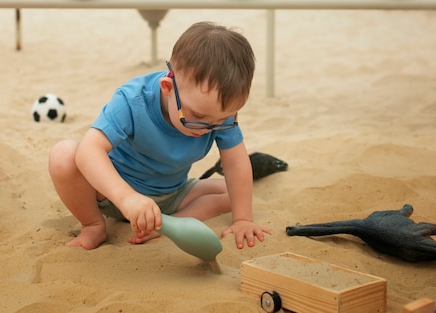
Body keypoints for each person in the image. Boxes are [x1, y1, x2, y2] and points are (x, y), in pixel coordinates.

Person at [49, 21, 270, 250]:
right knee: (63, 155)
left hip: (171, 196)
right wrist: (127, 198)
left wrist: (243, 219)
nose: (206, 128)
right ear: (167, 87)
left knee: (235, 190)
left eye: (219, 121)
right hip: (110, 194)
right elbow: (89, 150)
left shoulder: (216, 114)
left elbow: (235, 164)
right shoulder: (133, 100)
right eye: (197, 116)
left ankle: (168, 225)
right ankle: (93, 226)